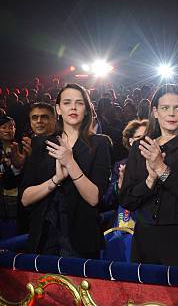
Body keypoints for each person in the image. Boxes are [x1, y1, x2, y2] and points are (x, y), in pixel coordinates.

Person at [119, 84, 178, 267]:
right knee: (143, 294)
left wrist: (161, 169)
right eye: (165, 108)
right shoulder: (140, 146)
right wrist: (150, 179)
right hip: (144, 237)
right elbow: (126, 200)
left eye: (177, 108)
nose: (171, 113)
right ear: (155, 112)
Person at [20, 83, 112, 258]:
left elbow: (94, 198)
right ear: (58, 109)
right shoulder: (42, 144)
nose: (73, 107)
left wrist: (70, 163)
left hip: (81, 239)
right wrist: (55, 180)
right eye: (67, 102)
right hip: (43, 235)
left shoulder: (99, 143)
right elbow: (25, 198)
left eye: (79, 103)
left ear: (86, 109)